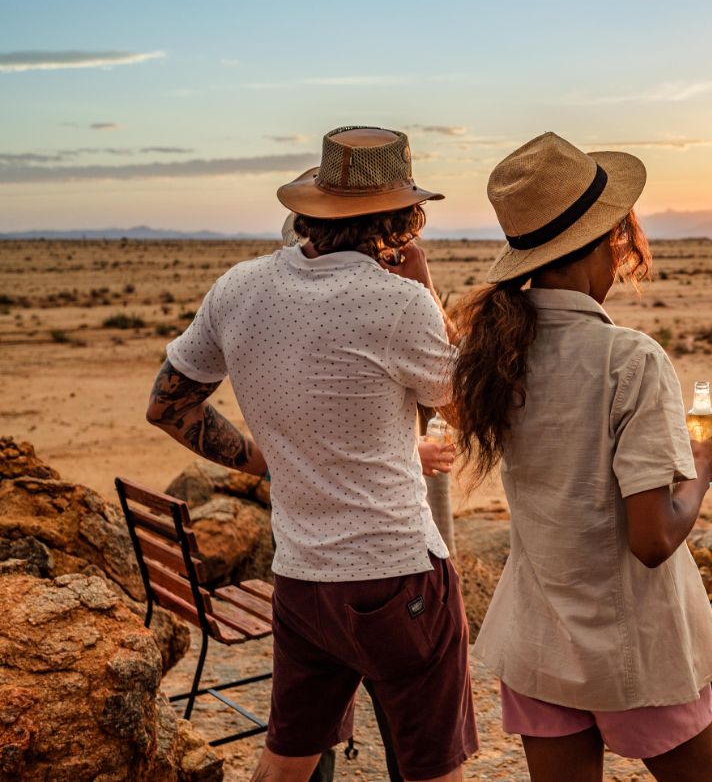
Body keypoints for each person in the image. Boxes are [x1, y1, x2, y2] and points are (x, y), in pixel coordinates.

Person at [146, 126, 476, 782]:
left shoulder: (238, 287)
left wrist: (262, 459)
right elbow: (467, 410)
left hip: (300, 577)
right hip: (398, 573)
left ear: (313, 208)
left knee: (283, 766)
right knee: (431, 770)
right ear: (403, 219)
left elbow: (168, 404)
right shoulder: (398, 302)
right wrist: (428, 290)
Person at [450, 132, 712, 782]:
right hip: (637, 650)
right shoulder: (627, 359)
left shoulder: (495, 355)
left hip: (540, 644)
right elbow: (653, 536)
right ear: (610, 240)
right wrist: (704, 471)